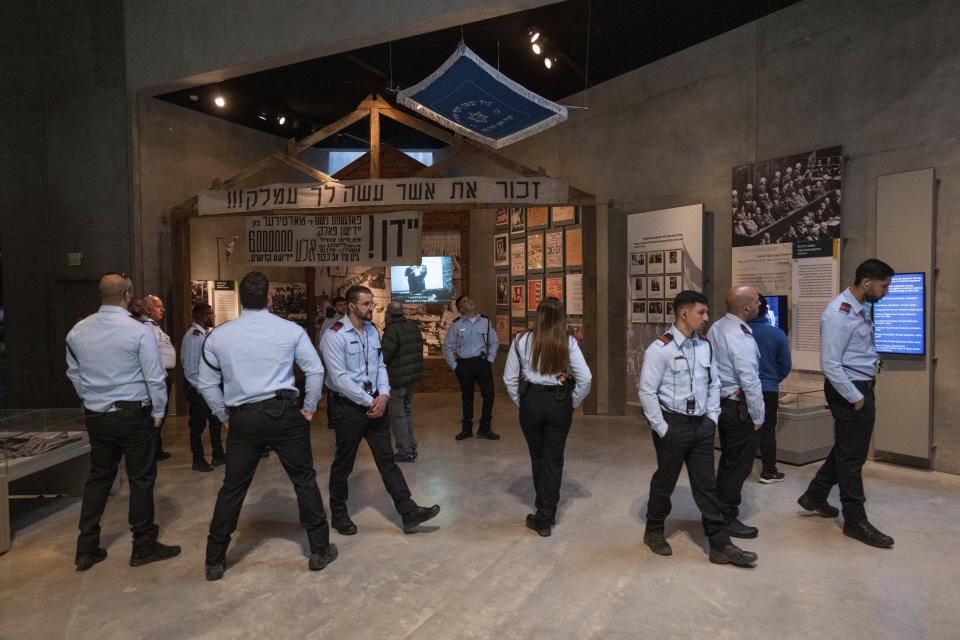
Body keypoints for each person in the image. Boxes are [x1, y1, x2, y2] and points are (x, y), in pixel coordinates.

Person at [199, 272, 337, 580]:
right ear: (270, 299)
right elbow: (315, 371)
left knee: (232, 487)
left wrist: (224, 416)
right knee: (303, 480)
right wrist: (309, 408)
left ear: (239, 300)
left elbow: (206, 384)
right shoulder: (289, 330)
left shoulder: (219, 336)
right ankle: (319, 549)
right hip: (285, 414)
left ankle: (214, 559)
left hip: (243, 417)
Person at [65, 273, 181, 571]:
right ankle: (143, 545)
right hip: (133, 415)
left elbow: (74, 373)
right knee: (141, 479)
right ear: (128, 294)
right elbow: (154, 375)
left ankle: (86, 547)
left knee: (99, 478)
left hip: (98, 416)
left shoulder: (78, 331)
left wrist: (91, 399)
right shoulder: (138, 331)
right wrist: (159, 411)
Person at [638, 290, 757, 567]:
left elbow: (714, 384)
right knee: (665, 483)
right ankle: (654, 530)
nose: (706, 318)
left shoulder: (704, 345)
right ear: (683, 314)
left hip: (702, 427)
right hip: (673, 427)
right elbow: (647, 392)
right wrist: (662, 428)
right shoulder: (660, 349)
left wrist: (712, 418)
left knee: (706, 487)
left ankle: (720, 545)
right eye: (701, 313)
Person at [321, 285, 440, 535]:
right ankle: (339, 514)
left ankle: (408, 511)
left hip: (376, 402)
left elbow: (380, 366)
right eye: (366, 303)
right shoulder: (334, 335)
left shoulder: (372, 331)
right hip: (348, 407)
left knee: (386, 460)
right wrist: (369, 401)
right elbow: (339, 378)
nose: (371, 308)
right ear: (351, 306)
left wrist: (384, 394)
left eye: (372, 303)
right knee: (344, 463)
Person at [798, 259, 896, 549]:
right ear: (866, 283)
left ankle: (815, 495)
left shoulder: (859, 307)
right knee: (853, 459)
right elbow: (830, 363)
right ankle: (855, 520)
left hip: (860, 386)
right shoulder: (838, 314)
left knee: (846, 449)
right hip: (850, 391)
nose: (886, 291)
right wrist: (854, 397)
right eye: (884, 285)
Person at [503, 297, 592, 537]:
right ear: (561, 317)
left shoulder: (521, 340)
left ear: (538, 315)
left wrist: (521, 401)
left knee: (538, 457)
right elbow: (586, 378)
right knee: (553, 460)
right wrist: (572, 402)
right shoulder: (568, 341)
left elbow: (509, 378)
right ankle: (546, 514)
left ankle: (543, 512)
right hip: (558, 402)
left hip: (531, 401)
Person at [707, 286, 765, 539]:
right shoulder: (738, 335)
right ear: (745, 308)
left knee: (730, 462)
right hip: (738, 408)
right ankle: (726, 518)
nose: (760, 305)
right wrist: (758, 415)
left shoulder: (717, 327)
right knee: (738, 466)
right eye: (756, 301)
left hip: (723, 404)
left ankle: (718, 511)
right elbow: (749, 379)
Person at [443, 295, 500, 441]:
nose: (470, 301)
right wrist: (455, 366)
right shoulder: (456, 325)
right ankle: (466, 429)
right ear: (461, 309)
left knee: (489, 394)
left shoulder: (485, 322)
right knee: (467, 398)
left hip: (482, 363)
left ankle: (484, 429)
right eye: (465, 301)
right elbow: (448, 346)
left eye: (470, 299)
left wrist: (490, 359)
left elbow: (494, 342)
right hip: (464, 365)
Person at [748, 296, 792, 483]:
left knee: (743, 432)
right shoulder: (777, 334)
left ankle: (737, 471)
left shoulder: (740, 333)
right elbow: (786, 365)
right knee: (767, 431)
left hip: (743, 390)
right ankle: (769, 471)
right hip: (768, 389)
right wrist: (773, 379)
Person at [180, 302, 224, 472]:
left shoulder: (204, 335)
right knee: (197, 426)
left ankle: (218, 454)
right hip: (199, 390)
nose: (212, 317)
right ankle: (198, 459)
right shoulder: (194, 336)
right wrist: (203, 391)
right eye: (210, 314)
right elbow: (191, 370)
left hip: (209, 388)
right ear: (203, 316)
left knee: (215, 422)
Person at [381, 301, 424, 463]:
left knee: (397, 415)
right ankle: (411, 446)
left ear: (388, 314)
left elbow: (384, 356)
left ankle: (405, 451)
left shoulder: (392, 330)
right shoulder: (413, 327)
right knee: (407, 411)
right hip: (412, 378)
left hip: (397, 380)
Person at [142, 294, 176, 460]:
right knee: (156, 415)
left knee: (160, 415)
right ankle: (152, 451)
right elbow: (151, 355)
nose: (162, 309)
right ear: (148, 309)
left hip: (163, 376)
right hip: (157, 377)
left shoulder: (154, 326)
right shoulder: (147, 328)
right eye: (158, 306)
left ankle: (156, 448)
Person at [319, 296, 347, 429]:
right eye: (340, 305)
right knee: (333, 389)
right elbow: (322, 342)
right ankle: (333, 420)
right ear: (335, 307)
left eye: (345, 304)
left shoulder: (349, 320)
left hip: (347, 360)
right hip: (333, 360)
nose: (343, 307)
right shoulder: (329, 322)